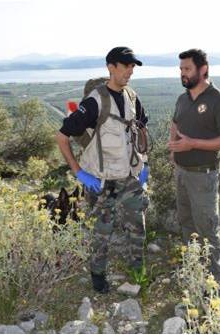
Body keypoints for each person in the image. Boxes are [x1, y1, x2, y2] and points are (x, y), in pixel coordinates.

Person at [56, 47, 149, 293]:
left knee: (137, 225)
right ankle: (98, 276)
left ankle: (137, 270)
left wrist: (144, 162)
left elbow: (141, 128)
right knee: (101, 231)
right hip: (101, 180)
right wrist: (78, 172)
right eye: (125, 65)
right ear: (111, 67)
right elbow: (62, 136)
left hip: (129, 176)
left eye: (132, 66)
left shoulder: (131, 96)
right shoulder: (95, 101)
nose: (130, 71)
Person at [168, 49, 220, 280]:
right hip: (182, 172)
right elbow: (175, 124)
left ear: (203, 69)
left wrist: (192, 144)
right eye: (181, 69)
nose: (183, 74)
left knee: (207, 228)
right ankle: (193, 269)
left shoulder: (218, 100)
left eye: (187, 69)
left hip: (204, 176)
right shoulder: (183, 99)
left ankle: (213, 280)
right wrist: (174, 148)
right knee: (186, 222)